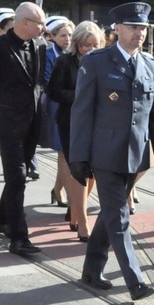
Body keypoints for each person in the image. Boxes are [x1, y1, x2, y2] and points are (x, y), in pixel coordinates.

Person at [69, 2, 154, 301]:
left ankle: (91, 269)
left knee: (110, 214)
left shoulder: (150, 65)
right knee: (120, 215)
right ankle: (135, 281)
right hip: (104, 154)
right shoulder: (97, 62)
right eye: (134, 27)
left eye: (143, 28)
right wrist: (78, 156)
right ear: (118, 29)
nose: (139, 33)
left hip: (135, 155)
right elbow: (82, 112)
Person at [46, 21, 105, 241]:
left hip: (98, 123)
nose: (90, 50)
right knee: (79, 170)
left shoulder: (104, 63)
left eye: (95, 45)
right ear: (77, 45)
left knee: (94, 172)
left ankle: (76, 211)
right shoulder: (64, 61)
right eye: (85, 45)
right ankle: (83, 222)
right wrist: (81, 98)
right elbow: (53, 91)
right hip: (70, 123)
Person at [0, 2, 47, 254]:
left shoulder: (40, 46)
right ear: (24, 23)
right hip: (7, 125)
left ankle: (2, 217)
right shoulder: (0, 48)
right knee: (17, 179)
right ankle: (19, 238)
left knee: (20, 175)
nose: (43, 27)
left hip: (32, 122)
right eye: (40, 22)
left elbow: (38, 84)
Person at [42, 16, 75, 212]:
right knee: (63, 151)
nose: (67, 39)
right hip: (57, 106)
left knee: (66, 152)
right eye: (63, 35)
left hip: (73, 106)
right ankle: (71, 197)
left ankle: (57, 189)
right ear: (52, 36)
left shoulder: (74, 53)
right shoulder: (48, 54)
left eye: (70, 35)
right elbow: (47, 82)